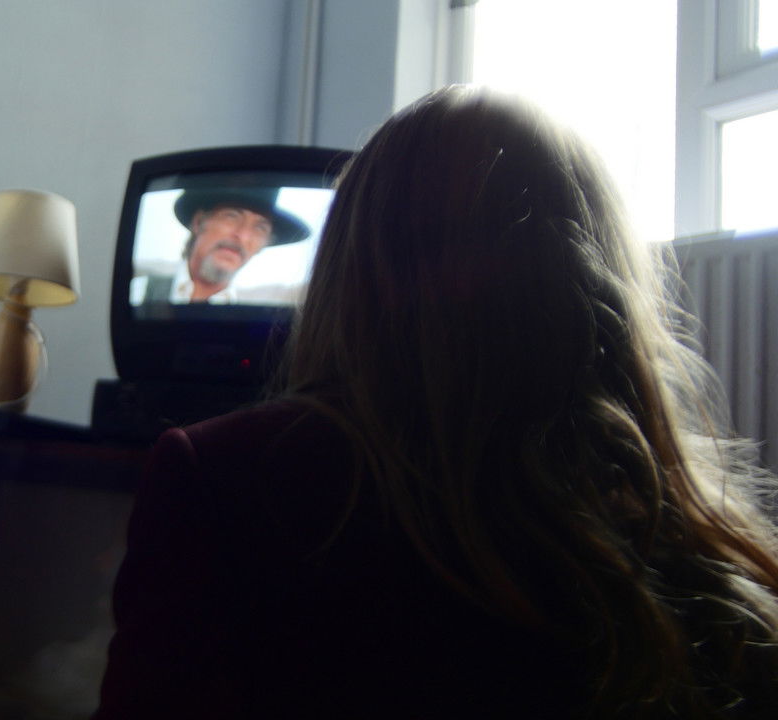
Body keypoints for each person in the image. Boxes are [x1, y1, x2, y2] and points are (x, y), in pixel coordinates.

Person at [93, 86, 778, 718]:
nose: (242, 237)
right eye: (228, 220)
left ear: (354, 261)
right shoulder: (697, 552)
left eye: (259, 228)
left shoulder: (217, 476)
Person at [131, 187, 310, 304]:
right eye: (231, 216)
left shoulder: (260, 311)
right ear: (199, 222)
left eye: (260, 228)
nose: (242, 235)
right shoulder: (137, 286)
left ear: (263, 246)